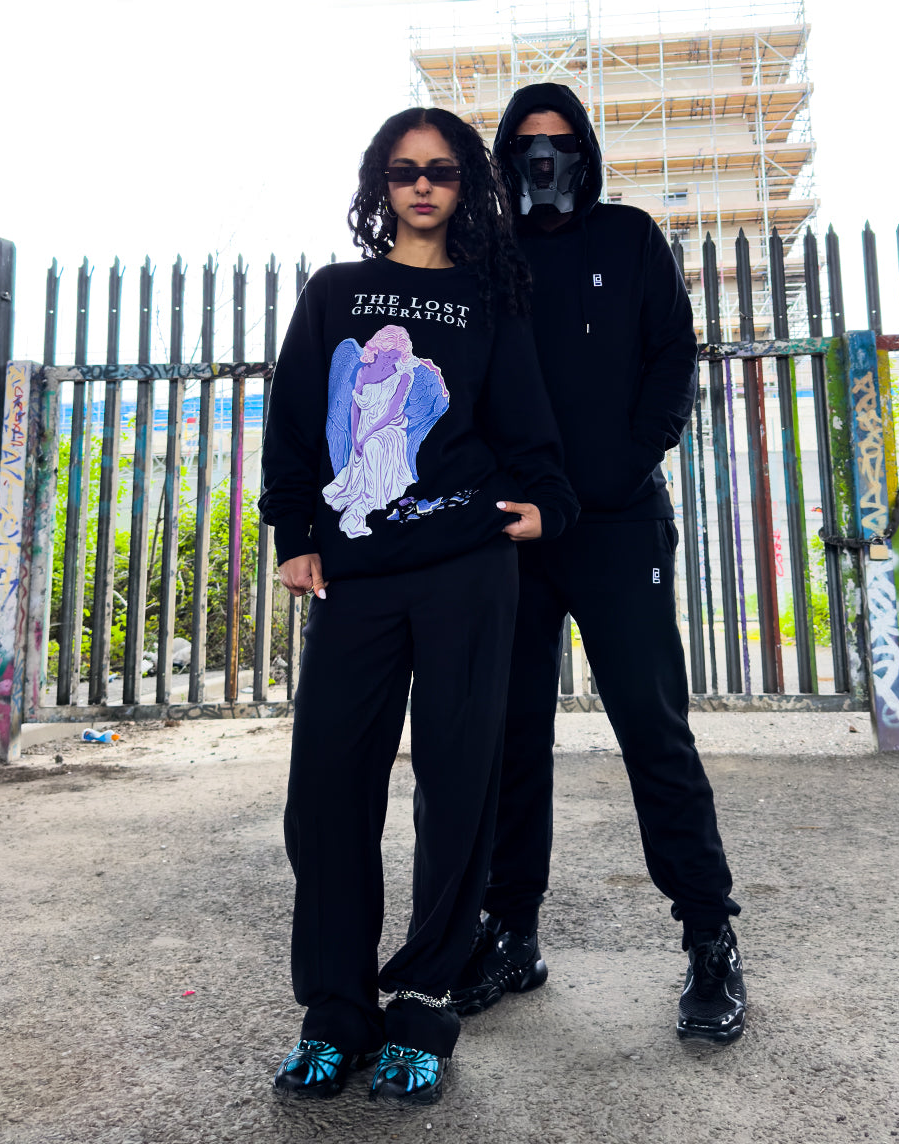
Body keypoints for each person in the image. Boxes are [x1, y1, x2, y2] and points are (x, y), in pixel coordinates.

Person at [259, 105, 578, 1106]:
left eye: (440, 170)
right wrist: (295, 529)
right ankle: (336, 1012)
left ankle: (425, 1005)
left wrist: (547, 502)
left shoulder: (490, 296)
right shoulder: (335, 292)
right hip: (357, 573)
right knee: (327, 788)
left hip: (465, 570)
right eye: (404, 172)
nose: (423, 185)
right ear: (380, 186)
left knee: (457, 780)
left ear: (465, 184)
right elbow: (294, 421)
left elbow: (524, 423)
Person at [450, 82, 747, 1044]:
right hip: (516, 533)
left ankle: (709, 938)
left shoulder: (629, 238)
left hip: (618, 527)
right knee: (510, 739)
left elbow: (673, 355)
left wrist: (623, 464)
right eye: (526, 143)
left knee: (654, 734)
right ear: (505, 158)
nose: (545, 158)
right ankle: (512, 932)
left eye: (561, 140)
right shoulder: (484, 256)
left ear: (585, 149)